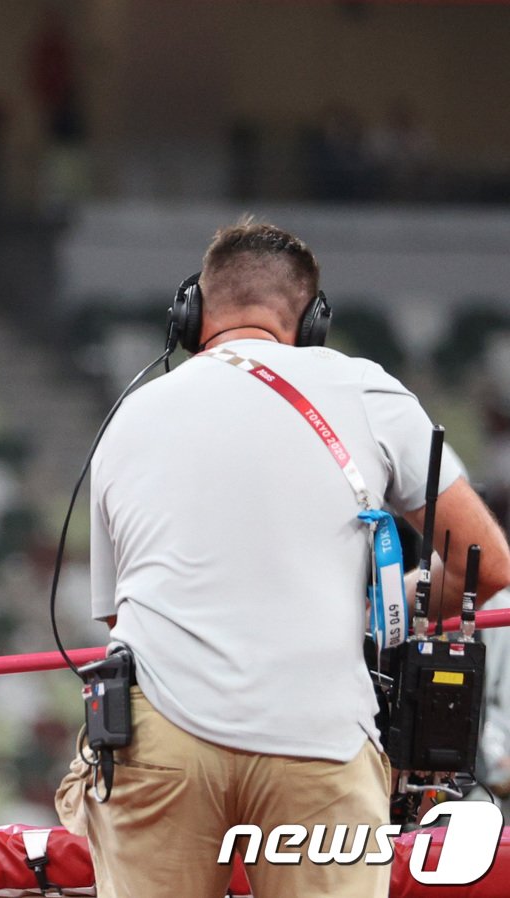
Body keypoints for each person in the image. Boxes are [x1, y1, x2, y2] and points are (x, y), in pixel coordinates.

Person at [56, 220, 510, 897]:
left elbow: (122, 610)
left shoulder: (132, 413)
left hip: (158, 733)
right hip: (320, 729)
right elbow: (485, 561)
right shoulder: (364, 389)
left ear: (191, 313)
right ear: (311, 320)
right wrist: (383, 615)